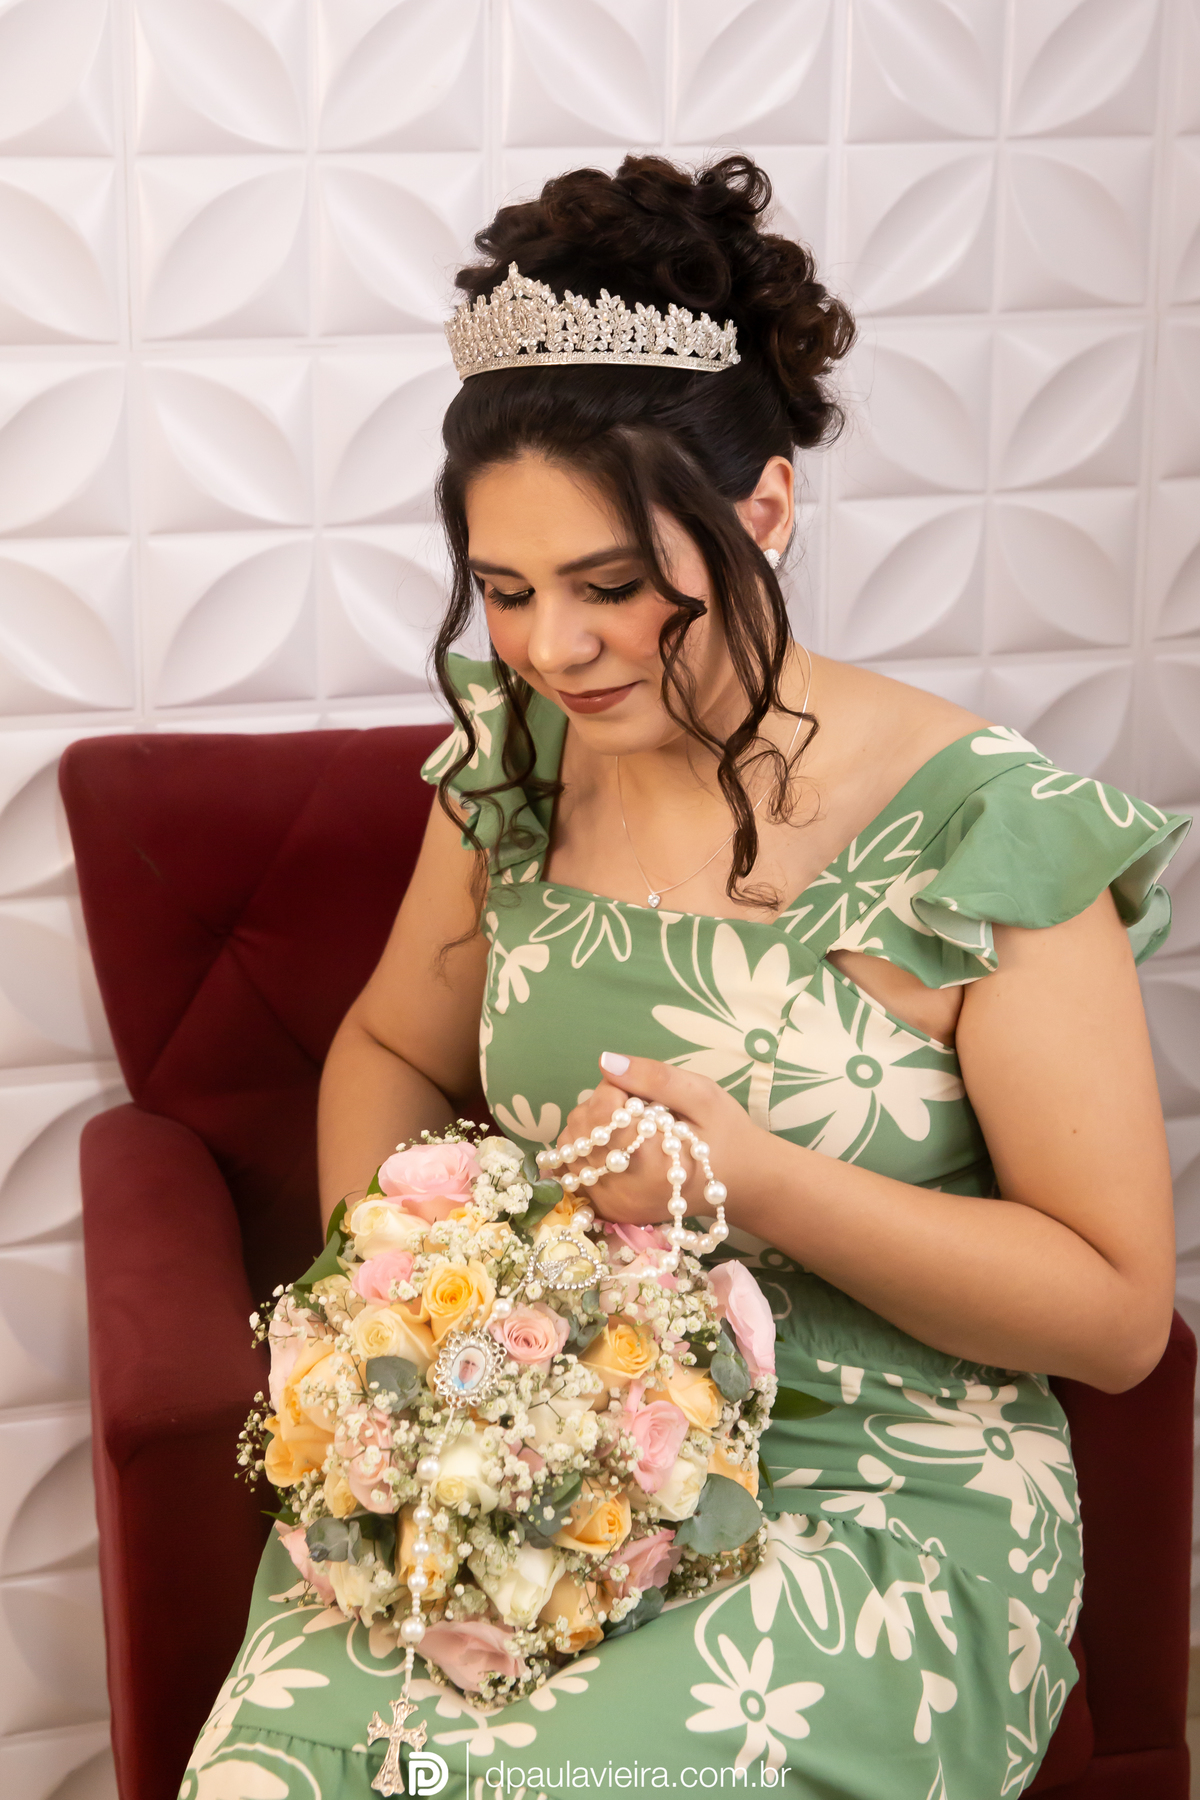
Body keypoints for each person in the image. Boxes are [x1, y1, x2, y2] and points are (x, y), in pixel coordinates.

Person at [182, 155, 1187, 1800]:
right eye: (506, 591)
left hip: (875, 1485)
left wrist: (754, 1179)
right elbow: (390, 1046)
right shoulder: (518, 762)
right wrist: (410, 1337)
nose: (551, 649)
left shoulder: (986, 830)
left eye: (609, 588)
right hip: (534, 1450)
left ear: (764, 514)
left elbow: (1118, 1314)